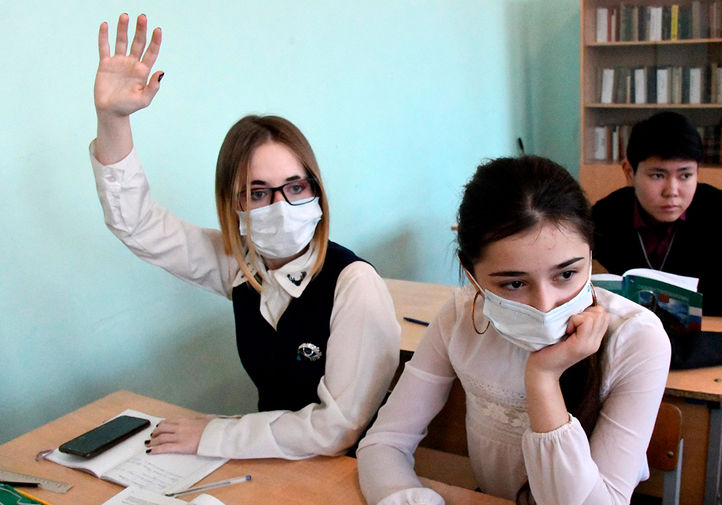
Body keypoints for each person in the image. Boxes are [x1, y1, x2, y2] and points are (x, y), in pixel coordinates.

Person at [90, 13, 400, 459]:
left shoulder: (354, 284)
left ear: (316, 191)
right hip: (272, 464)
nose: (281, 206)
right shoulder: (242, 267)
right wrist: (112, 119)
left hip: (349, 470)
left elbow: (339, 429)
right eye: (257, 193)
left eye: (295, 187)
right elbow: (137, 225)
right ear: (233, 205)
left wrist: (218, 434)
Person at [357, 156, 671, 505]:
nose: (545, 306)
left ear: (590, 252)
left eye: (567, 274)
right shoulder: (461, 317)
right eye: (515, 283)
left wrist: (543, 377)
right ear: (471, 274)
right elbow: (384, 443)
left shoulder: (636, 338)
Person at [591, 111, 722, 317]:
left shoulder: (717, 208)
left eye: (685, 175)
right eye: (657, 175)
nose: (672, 191)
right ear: (629, 172)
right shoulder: (605, 214)